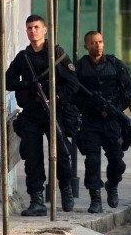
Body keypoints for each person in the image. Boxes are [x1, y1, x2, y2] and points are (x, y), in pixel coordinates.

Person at [5, 15, 80, 216]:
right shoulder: (23, 57)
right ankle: (37, 200)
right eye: (29, 28)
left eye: (36, 27)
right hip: (31, 114)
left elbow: (73, 84)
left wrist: (55, 95)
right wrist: (28, 86)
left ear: (45, 30)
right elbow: (8, 82)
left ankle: (65, 192)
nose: (33, 31)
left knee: (62, 154)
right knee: (32, 158)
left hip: (55, 111)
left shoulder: (56, 54)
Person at [74, 31, 131, 214]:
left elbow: (127, 93)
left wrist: (113, 108)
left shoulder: (116, 65)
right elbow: (73, 94)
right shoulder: (79, 67)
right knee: (92, 160)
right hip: (90, 121)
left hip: (112, 121)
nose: (97, 45)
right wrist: (90, 107)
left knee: (117, 161)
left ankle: (112, 185)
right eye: (93, 43)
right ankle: (95, 198)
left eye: (100, 41)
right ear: (86, 46)